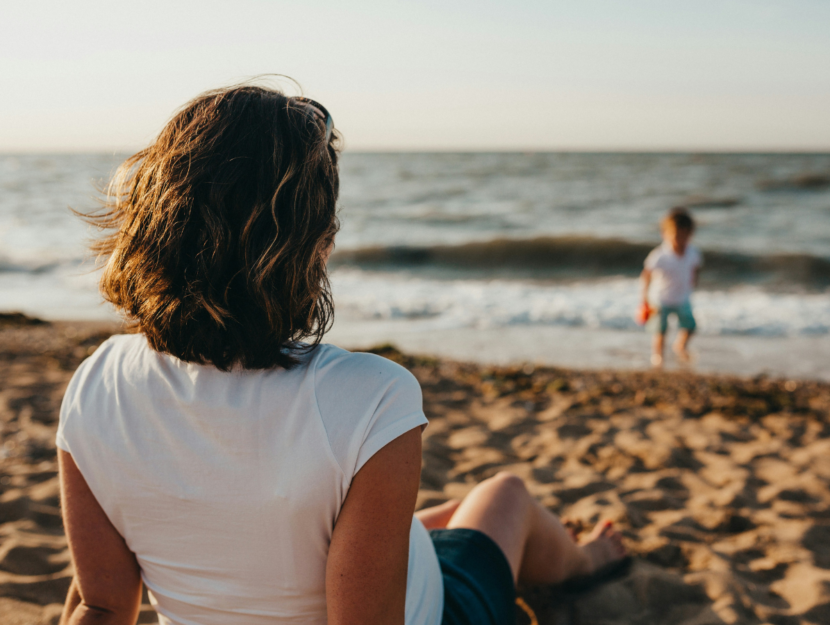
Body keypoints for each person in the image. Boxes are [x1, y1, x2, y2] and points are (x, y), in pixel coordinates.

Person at [56, 83, 627, 625]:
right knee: (505, 496)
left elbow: (102, 608)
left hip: (317, 563)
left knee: (439, 520)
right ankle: (592, 562)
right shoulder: (372, 396)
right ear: (316, 244)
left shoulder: (95, 383)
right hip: (437, 610)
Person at [640, 207, 702, 368]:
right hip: (660, 298)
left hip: (682, 297)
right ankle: (658, 357)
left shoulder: (693, 252)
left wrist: (693, 282)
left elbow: (695, 268)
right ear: (664, 234)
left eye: (684, 236)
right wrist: (644, 299)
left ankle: (680, 346)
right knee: (660, 331)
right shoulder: (660, 255)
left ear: (690, 234)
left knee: (690, 326)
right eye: (676, 236)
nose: (680, 240)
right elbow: (646, 274)